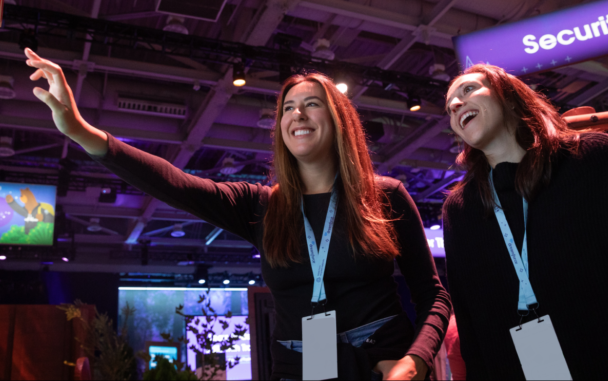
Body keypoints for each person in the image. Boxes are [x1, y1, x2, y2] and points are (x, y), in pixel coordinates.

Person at [24, 48, 451, 380]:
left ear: (340, 121)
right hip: (298, 370)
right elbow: (174, 183)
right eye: (287, 107)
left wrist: (414, 361)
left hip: (383, 367)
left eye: (312, 104)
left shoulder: (386, 196)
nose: (297, 113)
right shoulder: (262, 204)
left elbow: (433, 293)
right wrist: (81, 130)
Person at [442, 64, 608, 379]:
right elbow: (471, 325)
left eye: (468, 90)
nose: (455, 105)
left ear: (509, 96)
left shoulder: (594, 159)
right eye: (450, 107)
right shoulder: (460, 209)